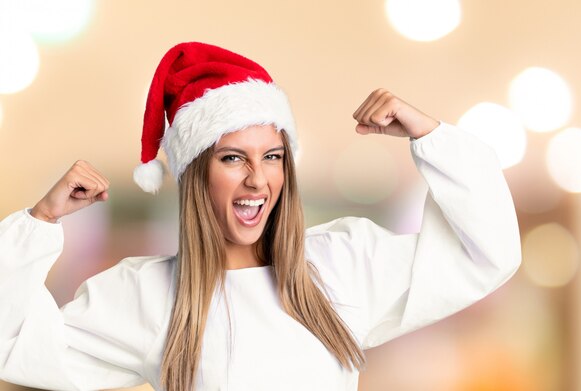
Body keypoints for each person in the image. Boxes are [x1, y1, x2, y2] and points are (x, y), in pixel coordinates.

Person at [0, 42, 522, 391]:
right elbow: (17, 348)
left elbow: (485, 253)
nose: (257, 179)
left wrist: (430, 136)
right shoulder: (149, 296)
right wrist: (40, 221)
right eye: (233, 158)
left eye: (272, 156)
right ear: (195, 173)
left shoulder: (342, 264)